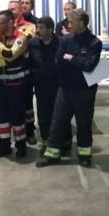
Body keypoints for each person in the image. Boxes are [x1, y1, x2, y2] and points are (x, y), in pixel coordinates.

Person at [36, 9, 102, 168]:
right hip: (65, 89)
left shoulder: (94, 42)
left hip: (85, 90)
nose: (69, 24)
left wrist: (71, 58)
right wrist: (77, 61)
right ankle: (52, 154)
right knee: (58, 122)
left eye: (72, 22)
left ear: (81, 23)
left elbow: (89, 65)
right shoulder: (65, 40)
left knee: (84, 123)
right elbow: (58, 61)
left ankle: (84, 154)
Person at [0, 10, 29, 160]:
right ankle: (4, 146)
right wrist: (2, 53)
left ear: (10, 22)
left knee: (17, 116)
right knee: (2, 116)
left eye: (1, 23)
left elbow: (10, 55)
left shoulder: (21, 37)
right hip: (1, 85)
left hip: (16, 85)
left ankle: (21, 146)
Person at [29, 16, 71, 156]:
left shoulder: (61, 43)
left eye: (41, 28)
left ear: (50, 29)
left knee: (60, 115)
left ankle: (65, 141)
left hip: (58, 85)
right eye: (37, 27)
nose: (38, 30)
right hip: (40, 86)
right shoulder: (33, 43)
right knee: (43, 115)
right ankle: (47, 141)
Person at [8, 0, 37, 144]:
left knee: (26, 102)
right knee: (10, 103)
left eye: (14, 9)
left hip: (25, 69)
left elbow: (22, 41)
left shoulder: (29, 26)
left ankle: (30, 131)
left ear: (21, 10)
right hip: (8, 71)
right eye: (9, 9)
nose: (11, 12)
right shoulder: (5, 26)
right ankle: (13, 132)